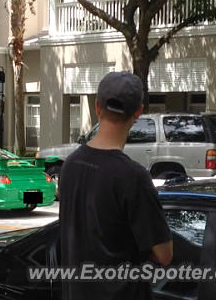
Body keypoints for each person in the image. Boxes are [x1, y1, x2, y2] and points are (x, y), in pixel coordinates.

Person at [59, 71, 173, 300]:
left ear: (97, 107)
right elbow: (164, 255)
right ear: (138, 112)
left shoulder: (70, 165)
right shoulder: (133, 176)